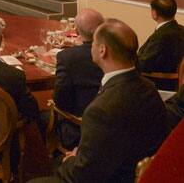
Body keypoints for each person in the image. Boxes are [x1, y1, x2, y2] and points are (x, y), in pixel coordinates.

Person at [33, 19, 168, 183]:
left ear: (102, 50)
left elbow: (81, 176)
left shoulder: (100, 111)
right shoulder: (149, 88)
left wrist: (70, 160)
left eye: (94, 43)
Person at [53, 9, 104, 149]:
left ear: (78, 31)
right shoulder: (118, 53)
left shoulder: (67, 57)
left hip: (79, 130)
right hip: (116, 128)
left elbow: (60, 101)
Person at [137, 0, 184, 90]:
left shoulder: (161, 36)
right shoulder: (181, 30)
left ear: (154, 13)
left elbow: (144, 64)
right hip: (173, 84)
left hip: (158, 84)